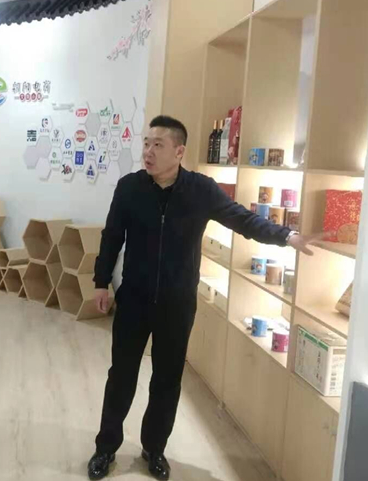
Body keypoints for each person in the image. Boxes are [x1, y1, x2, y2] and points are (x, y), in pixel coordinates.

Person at [87, 116, 322, 481]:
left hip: (177, 304)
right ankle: (106, 448)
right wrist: (101, 282)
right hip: (133, 299)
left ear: (179, 151)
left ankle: (154, 449)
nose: (148, 151)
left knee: (167, 380)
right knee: (121, 376)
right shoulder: (130, 187)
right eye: (146, 143)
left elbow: (242, 219)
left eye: (158, 145)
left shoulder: (200, 190)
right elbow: (112, 236)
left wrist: (286, 236)